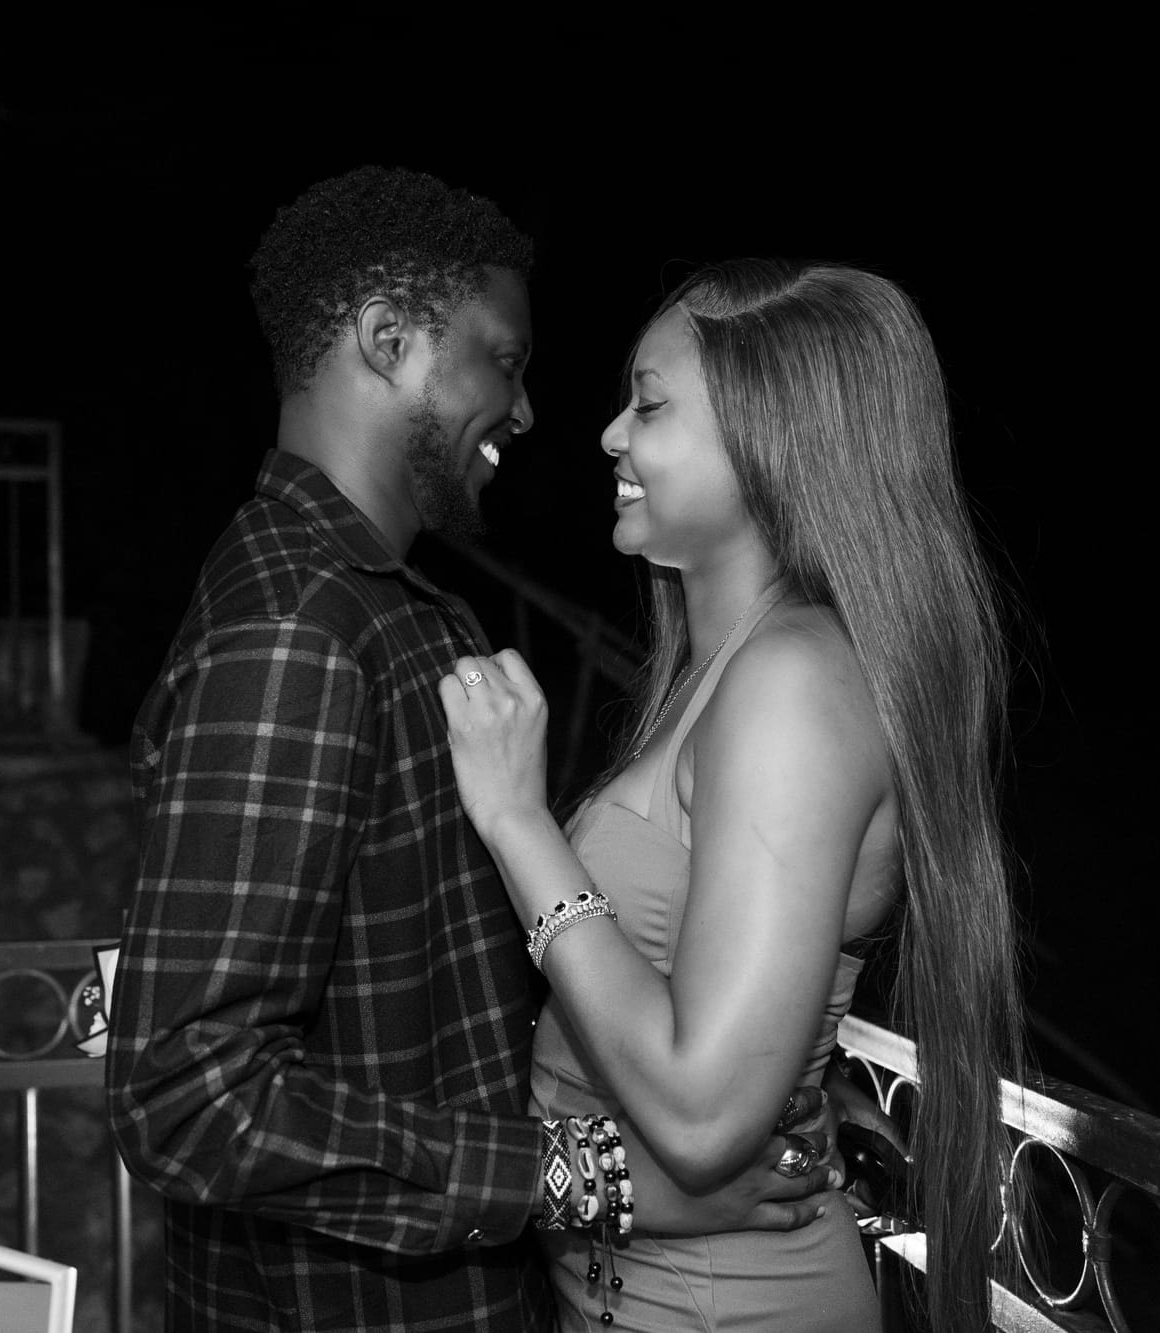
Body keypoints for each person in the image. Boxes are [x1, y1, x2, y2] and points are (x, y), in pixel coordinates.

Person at [104, 170, 881, 1333]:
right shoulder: (295, 630)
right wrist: (587, 1176)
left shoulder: (407, 618)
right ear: (389, 341)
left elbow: (442, 981)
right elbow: (184, 1097)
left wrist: (758, 1050)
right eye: (504, 362)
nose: (529, 412)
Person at [440, 259, 1025, 1332]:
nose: (610, 435)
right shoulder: (727, 673)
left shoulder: (790, 682)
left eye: (650, 406)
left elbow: (704, 1117)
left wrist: (518, 820)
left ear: (772, 443)